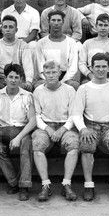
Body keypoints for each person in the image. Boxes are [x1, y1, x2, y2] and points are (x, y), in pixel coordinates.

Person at [71, 53, 109, 202]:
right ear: (91, 67)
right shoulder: (84, 88)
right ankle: (89, 185)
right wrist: (83, 129)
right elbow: (76, 114)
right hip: (90, 125)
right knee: (86, 147)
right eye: (98, 66)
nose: (101, 70)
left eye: (104, 66)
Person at [32, 60, 79, 201]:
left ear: (59, 73)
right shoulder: (38, 91)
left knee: (74, 144)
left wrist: (63, 129)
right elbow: (36, 115)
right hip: (45, 125)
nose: (51, 76)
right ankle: (45, 185)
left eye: (54, 72)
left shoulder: (69, 90)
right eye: (48, 73)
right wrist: (47, 128)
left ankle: (66, 184)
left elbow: (74, 114)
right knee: (38, 145)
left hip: (65, 125)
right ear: (43, 74)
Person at [0, 64, 37, 201]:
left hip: (21, 130)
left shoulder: (27, 96)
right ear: (5, 78)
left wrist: (18, 137)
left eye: (17, 77)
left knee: (26, 145)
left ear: (21, 80)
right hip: (3, 130)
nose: (13, 80)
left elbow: (33, 121)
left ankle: (24, 186)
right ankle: (13, 182)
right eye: (10, 77)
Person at [0, 15, 34, 94]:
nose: (8, 30)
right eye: (5, 27)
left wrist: (29, 81)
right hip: (0, 79)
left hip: (17, 79)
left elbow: (28, 65)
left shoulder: (23, 45)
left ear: (16, 30)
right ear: (1, 29)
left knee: (27, 90)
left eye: (11, 27)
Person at [35, 10, 80, 90]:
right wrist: (49, 79)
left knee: (75, 85)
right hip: (47, 76)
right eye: (53, 20)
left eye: (59, 20)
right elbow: (40, 66)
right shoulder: (41, 43)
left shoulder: (71, 42)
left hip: (65, 76)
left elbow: (73, 66)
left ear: (63, 22)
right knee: (37, 86)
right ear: (49, 22)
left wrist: (62, 82)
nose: (56, 23)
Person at [78, 13, 109, 84]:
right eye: (100, 25)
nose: (103, 28)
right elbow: (81, 63)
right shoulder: (87, 43)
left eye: (106, 25)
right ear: (96, 26)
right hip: (91, 75)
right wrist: (90, 76)